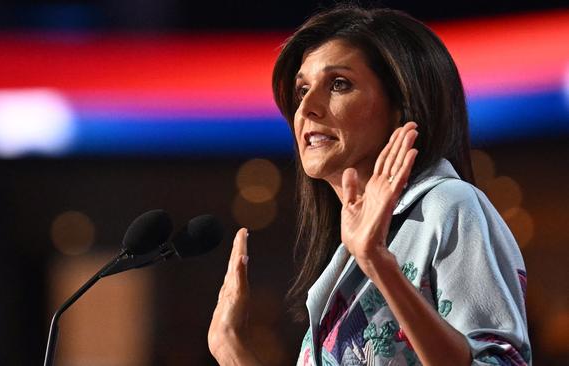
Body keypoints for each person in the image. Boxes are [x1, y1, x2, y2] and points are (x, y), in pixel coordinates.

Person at [208, 4, 531, 366]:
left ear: (401, 105)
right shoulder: (347, 254)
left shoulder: (448, 206)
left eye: (339, 84)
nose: (307, 108)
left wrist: (379, 263)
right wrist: (230, 347)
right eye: (302, 90)